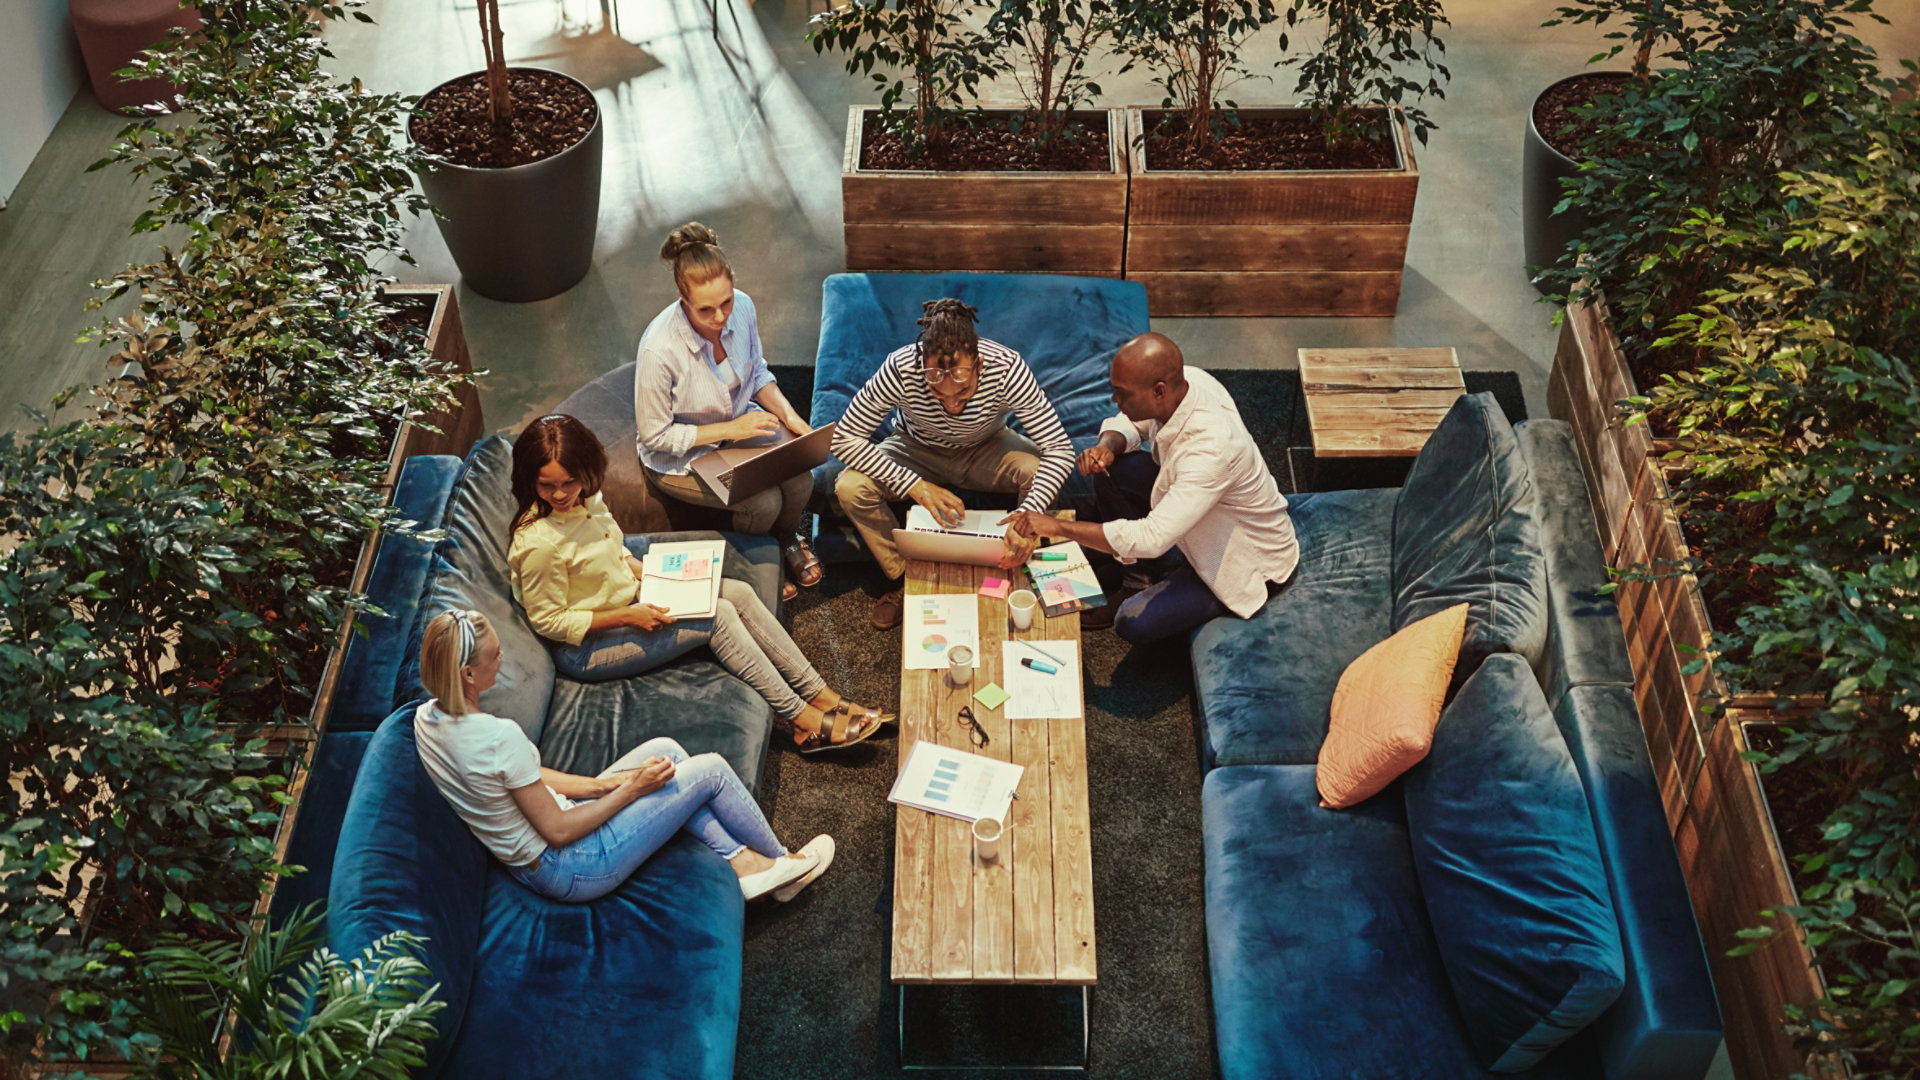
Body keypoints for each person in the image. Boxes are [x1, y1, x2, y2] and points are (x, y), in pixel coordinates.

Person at [508, 414, 890, 754]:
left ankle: (821, 694)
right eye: (547, 486)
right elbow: (550, 621)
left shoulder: (586, 499)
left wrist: (656, 575)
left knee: (736, 591)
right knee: (717, 616)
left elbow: (616, 549)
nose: (560, 494)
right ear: (530, 480)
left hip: (630, 598)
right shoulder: (540, 545)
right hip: (588, 648)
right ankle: (801, 721)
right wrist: (629, 616)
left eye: (569, 482)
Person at [413, 609, 834, 904]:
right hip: (569, 866)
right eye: (494, 655)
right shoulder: (496, 736)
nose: (503, 658)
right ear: (467, 674)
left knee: (665, 752)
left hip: (543, 849)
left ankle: (746, 865)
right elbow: (558, 831)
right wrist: (631, 788)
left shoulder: (426, 719)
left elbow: (523, 776)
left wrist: (603, 785)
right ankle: (783, 862)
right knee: (711, 772)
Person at [1002, 332, 1300, 644]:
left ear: (1158, 391)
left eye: (1122, 393)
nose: (1115, 400)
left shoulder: (1212, 449)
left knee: (1133, 622)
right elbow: (1134, 422)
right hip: (1195, 507)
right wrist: (1108, 445)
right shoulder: (1188, 383)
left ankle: (1160, 579)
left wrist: (1058, 525)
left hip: (1241, 559)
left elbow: (1152, 537)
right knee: (1115, 468)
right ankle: (1135, 576)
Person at [831, 299, 1075, 629]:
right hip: (914, 449)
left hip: (987, 446)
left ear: (979, 364)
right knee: (849, 486)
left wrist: (1026, 513)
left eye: (963, 392)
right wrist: (913, 485)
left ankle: (1022, 566)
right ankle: (905, 577)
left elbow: (1059, 447)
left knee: (1035, 472)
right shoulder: (900, 368)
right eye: (938, 393)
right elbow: (844, 438)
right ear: (921, 367)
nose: (951, 405)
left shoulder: (1007, 367)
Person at [634, 222, 820, 601]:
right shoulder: (659, 349)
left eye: (727, 301)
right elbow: (655, 436)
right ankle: (759, 558)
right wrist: (732, 428)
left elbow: (758, 373)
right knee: (762, 501)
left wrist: (789, 416)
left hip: (737, 426)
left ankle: (786, 539)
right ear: (682, 299)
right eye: (706, 309)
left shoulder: (744, 308)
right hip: (680, 455)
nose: (720, 317)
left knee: (801, 477)